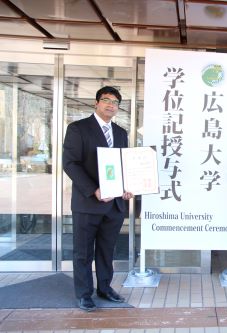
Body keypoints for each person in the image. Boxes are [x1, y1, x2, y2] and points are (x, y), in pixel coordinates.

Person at [63, 86, 134, 312]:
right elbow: (70, 163)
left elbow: (124, 166)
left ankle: (104, 287)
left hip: (114, 205)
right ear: (96, 103)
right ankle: (84, 294)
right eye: (106, 100)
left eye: (115, 102)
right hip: (88, 203)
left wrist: (128, 187)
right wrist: (93, 189)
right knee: (83, 252)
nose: (111, 105)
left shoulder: (121, 133)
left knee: (106, 250)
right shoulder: (78, 129)